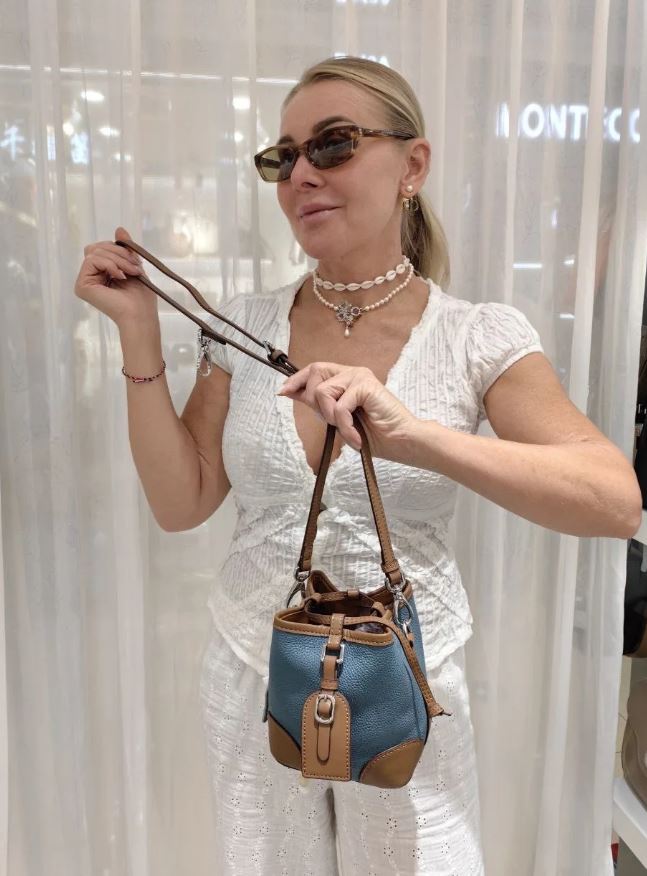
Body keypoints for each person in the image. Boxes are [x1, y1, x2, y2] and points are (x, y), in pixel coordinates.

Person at [74, 55, 642, 875]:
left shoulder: (474, 335)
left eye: (333, 144)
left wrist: (415, 437)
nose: (301, 174)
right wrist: (136, 334)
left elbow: (611, 500)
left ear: (412, 165)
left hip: (407, 683)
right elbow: (180, 501)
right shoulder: (241, 327)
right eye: (283, 157)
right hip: (253, 671)